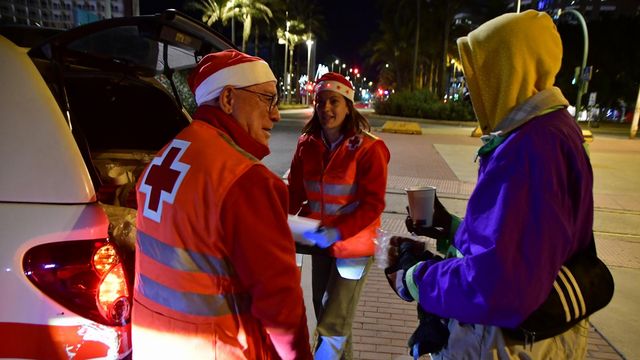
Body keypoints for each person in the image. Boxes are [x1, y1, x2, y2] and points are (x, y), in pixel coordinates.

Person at [386, 10, 593, 359]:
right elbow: (521, 244)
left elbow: (496, 284)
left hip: (508, 344)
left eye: (481, 74)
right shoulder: (548, 132)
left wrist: (415, 278)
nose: (472, 89)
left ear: (509, 71)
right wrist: (452, 229)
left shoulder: (531, 149)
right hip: (529, 336)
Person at [132, 49, 312, 359]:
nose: (276, 114)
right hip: (217, 348)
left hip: (155, 343)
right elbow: (279, 303)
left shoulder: (163, 159)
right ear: (228, 99)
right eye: (267, 99)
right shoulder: (245, 180)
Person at [287, 72, 390, 359]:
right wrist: (274, 219)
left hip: (353, 247)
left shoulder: (370, 148)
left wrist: (336, 231)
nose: (326, 109)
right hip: (319, 242)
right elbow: (293, 194)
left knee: (332, 323)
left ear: (348, 105)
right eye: (320, 102)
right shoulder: (307, 144)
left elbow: (373, 205)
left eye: (334, 101)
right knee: (328, 313)